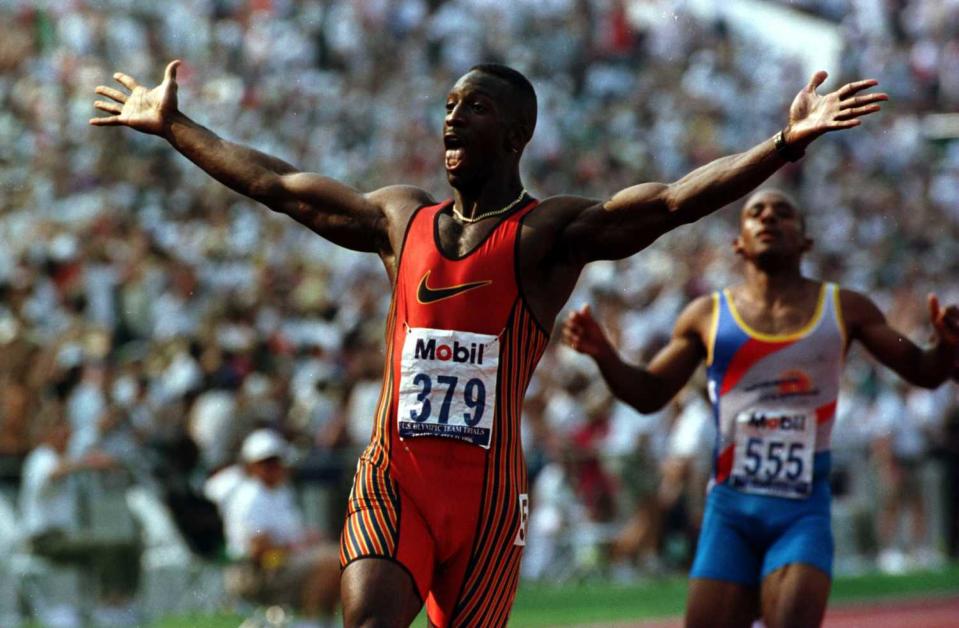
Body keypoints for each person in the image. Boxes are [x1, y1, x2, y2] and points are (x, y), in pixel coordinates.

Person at [91, 58, 885, 626]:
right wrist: (173, 126)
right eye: (445, 104)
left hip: (486, 501)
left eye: (470, 106)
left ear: (514, 134)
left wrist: (783, 144)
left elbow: (672, 202)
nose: (449, 117)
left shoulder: (548, 234)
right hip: (392, 478)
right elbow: (276, 185)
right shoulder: (400, 221)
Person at [562, 188, 959, 627]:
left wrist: (944, 347)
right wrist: (604, 355)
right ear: (739, 242)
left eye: (783, 213)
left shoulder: (846, 309)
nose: (769, 218)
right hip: (730, 510)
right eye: (756, 213)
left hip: (801, 510)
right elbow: (650, 393)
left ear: (805, 240)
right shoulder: (707, 315)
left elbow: (923, 370)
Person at [216, 429, 339, 623]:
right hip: (255, 571)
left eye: (276, 462)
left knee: (339, 557)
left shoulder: (280, 492)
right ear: (252, 466)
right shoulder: (250, 498)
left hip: (278, 563)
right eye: (266, 463)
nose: (273, 467)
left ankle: (321, 622)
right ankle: (311, 622)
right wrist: (298, 550)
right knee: (329, 563)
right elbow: (260, 550)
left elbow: (292, 534)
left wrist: (309, 541)